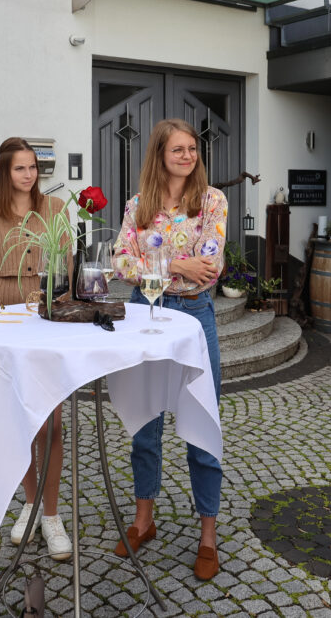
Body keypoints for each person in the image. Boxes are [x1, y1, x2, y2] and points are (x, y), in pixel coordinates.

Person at [111, 118, 227, 581]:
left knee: (203, 419)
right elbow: (120, 260)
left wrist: (153, 265)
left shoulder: (212, 200)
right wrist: (178, 262)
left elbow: (212, 265)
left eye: (192, 149)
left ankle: (208, 535)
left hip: (195, 314)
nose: (186, 156)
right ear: (160, 154)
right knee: (145, 423)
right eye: (177, 149)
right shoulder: (139, 205)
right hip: (145, 315)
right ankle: (144, 520)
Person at [0, 136, 73, 561]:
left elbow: (67, 268)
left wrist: (57, 302)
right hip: (8, 319)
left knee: (51, 423)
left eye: (33, 167)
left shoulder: (56, 210)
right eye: (20, 168)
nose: (29, 174)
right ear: (5, 172)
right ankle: (30, 503)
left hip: (48, 319)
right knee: (21, 423)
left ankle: (51, 514)